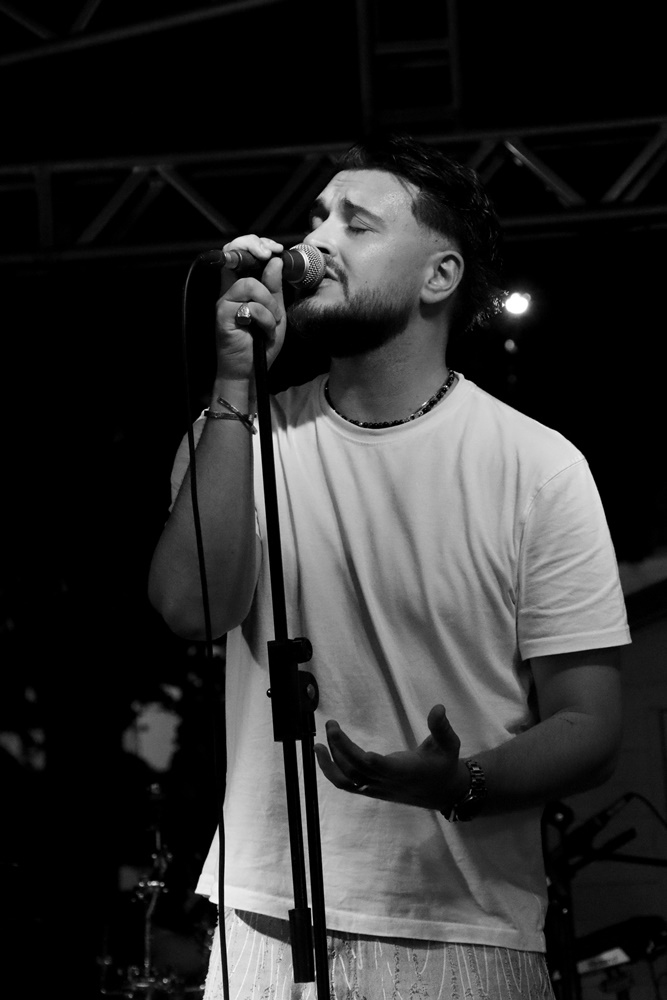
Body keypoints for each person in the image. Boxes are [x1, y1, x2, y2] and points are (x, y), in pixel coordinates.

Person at [148, 135, 630, 1000]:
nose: (317, 240)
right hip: (263, 919)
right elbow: (191, 609)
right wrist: (232, 387)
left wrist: (462, 780)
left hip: (465, 931)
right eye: (317, 218)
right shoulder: (237, 434)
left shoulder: (536, 466)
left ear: (437, 276)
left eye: (357, 223)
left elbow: (588, 724)